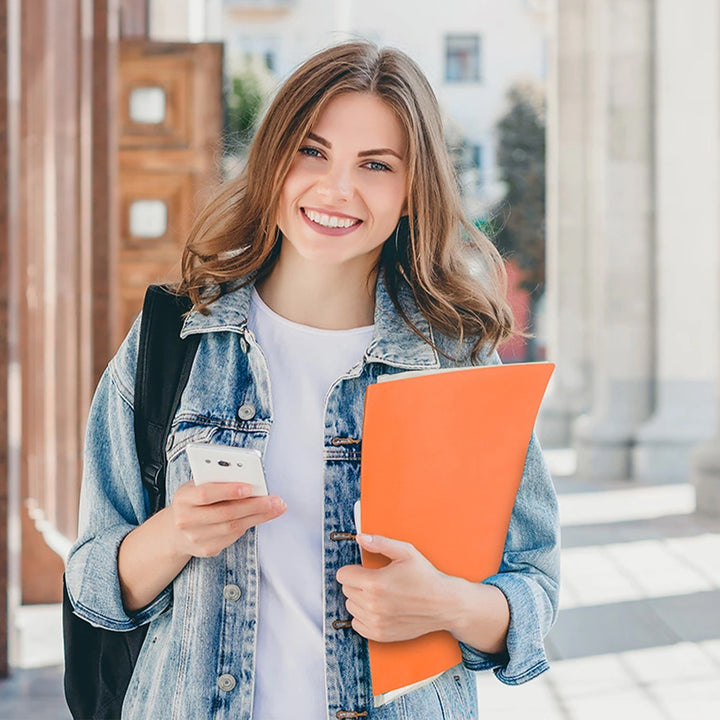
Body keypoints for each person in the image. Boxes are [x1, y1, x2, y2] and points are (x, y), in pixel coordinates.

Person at [65, 41, 560, 720]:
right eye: (312, 151)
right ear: (273, 160)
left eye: (376, 165)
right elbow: (91, 579)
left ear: (413, 190)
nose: (337, 189)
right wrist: (173, 534)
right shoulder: (174, 339)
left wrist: (447, 604)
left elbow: (534, 588)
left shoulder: (456, 361)